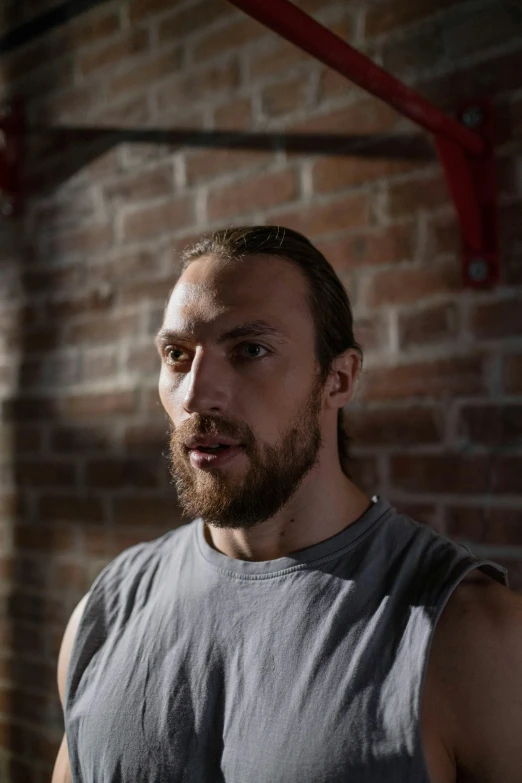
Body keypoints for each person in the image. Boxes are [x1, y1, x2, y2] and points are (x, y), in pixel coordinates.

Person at [52, 226, 522, 783]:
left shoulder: (472, 636)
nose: (198, 395)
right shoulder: (105, 613)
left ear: (338, 379)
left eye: (250, 351)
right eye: (177, 354)